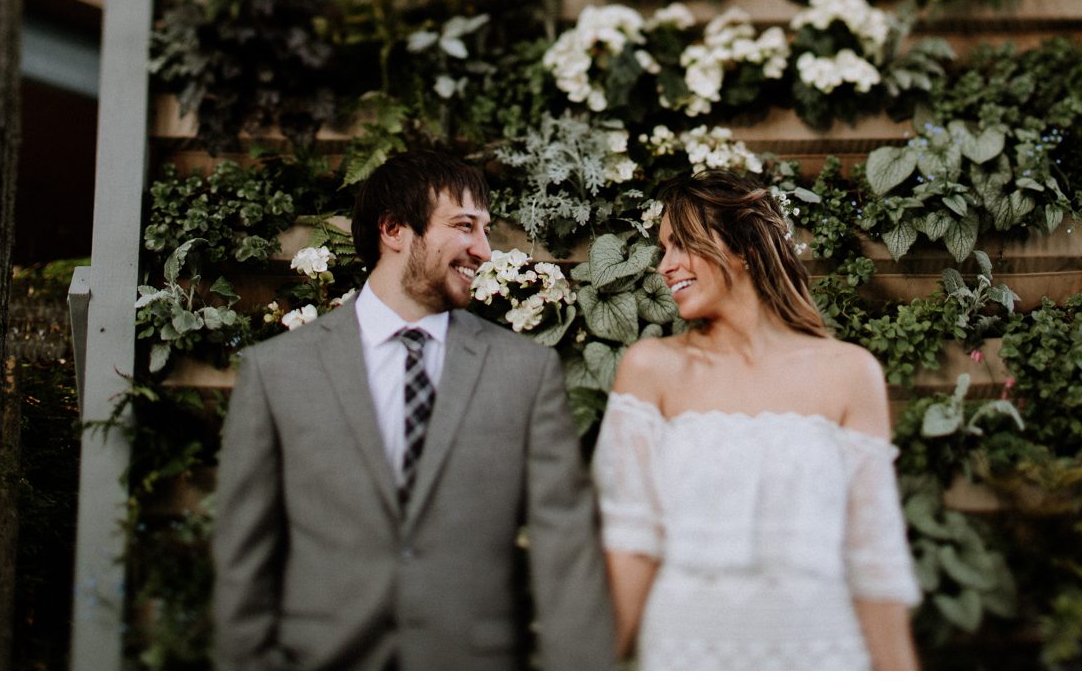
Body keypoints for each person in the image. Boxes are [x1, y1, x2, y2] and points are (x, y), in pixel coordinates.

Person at [210, 150, 615, 669]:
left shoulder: (525, 372)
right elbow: (243, 559)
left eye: (485, 229)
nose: (484, 249)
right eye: (465, 226)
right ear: (394, 229)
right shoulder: (277, 372)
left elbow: (566, 552)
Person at [593, 170, 924, 670]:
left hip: (822, 655)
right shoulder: (651, 370)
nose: (665, 266)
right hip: (684, 655)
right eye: (664, 249)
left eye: (682, 244)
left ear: (746, 247)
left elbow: (875, 559)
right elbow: (631, 545)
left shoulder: (850, 374)